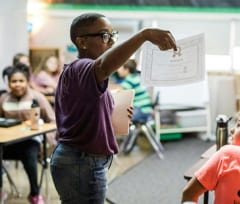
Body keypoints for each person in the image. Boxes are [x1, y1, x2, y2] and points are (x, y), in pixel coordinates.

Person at [50, 12, 177, 204]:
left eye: (112, 35)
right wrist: (144, 35)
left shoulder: (81, 75)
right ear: (82, 42)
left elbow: (84, 115)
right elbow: (102, 66)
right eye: (104, 36)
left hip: (80, 159)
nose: (111, 42)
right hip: (82, 161)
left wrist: (115, 114)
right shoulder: (82, 67)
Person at [0, 63, 56, 204]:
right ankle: (1, 190)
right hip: (7, 144)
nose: (17, 84)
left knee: (29, 153)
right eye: (14, 81)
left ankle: (34, 194)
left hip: (31, 142)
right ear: (8, 83)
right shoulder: (4, 99)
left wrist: (47, 143)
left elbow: (54, 122)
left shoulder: (37, 97)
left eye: (21, 81)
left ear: (27, 82)